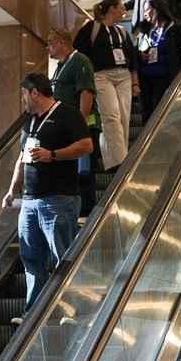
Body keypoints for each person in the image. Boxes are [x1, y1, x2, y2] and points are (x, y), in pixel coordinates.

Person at [2, 72, 92, 318]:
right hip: (29, 201)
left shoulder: (68, 113)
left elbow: (86, 145)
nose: (22, 99)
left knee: (63, 256)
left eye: (24, 94)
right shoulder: (30, 121)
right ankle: (34, 315)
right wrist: (12, 190)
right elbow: (23, 157)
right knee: (31, 257)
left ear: (35, 92)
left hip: (59, 198)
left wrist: (52, 155)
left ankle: (71, 312)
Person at [73, 0, 139, 172]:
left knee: (124, 117)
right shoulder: (92, 28)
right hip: (101, 75)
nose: (124, 11)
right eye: (121, 8)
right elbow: (78, 54)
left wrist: (135, 82)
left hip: (123, 76)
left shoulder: (122, 31)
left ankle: (117, 159)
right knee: (111, 115)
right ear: (112, 9)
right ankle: (120, 162)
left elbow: (131, 59)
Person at [46, 26, 102, 218]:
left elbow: (86, 93)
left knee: (84, 174)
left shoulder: (79, 60)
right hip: (67, 130)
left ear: (62, 41)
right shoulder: (61, 66)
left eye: (50, 42)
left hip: (84, 128)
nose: (47, 47)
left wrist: (80, 125)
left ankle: (85, 215)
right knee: (72, 174)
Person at [134, 0, 181, 124]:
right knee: (146, 115)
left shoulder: (174, 28)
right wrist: (139, 55)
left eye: (147, 10)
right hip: (144, 80)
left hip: (163, 78)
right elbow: (134, 51)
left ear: (157, 9)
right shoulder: (144, 32)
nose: (145, 13)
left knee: (159, 113)